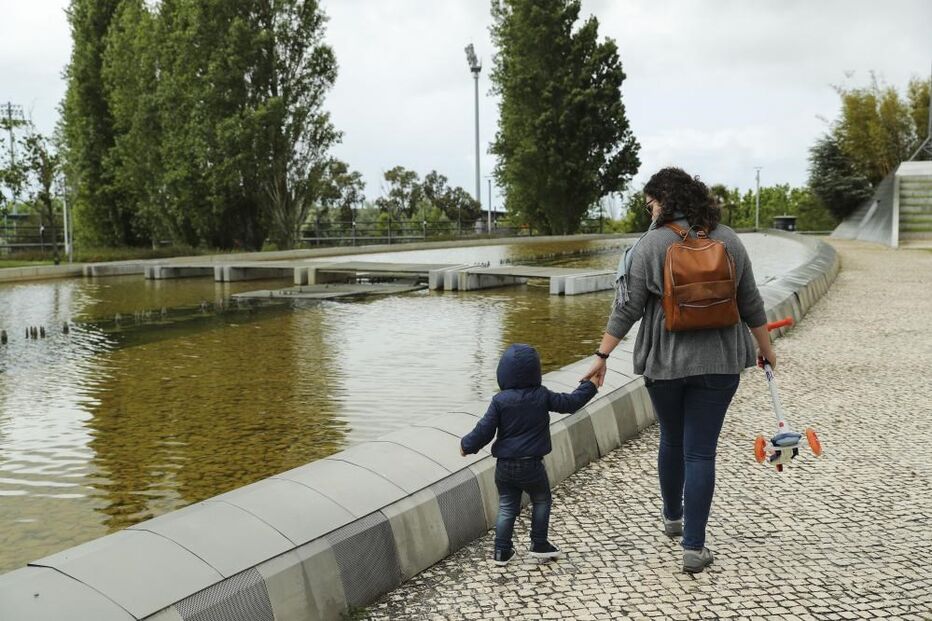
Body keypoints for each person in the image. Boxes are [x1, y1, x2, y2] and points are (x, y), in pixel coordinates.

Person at [581, 167, 776, 574]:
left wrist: (601, 356)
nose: (647, 208)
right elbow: (752, 302)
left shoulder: (651, 245)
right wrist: (766, 349)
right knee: (701, 450)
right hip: (720, 362)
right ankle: (694, 546)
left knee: (671, 437)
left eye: (650, 201)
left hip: (664, 363)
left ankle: (672, 518)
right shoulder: (728, 239)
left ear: (663, 201)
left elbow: (627, 308)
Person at [461, 343, 598, 566]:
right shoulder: (541, 395)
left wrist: (466, 445)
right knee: (542, 499)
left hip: (504, 466)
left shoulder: (499, 401)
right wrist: (589, 385)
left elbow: (484, 430)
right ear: (535, 371)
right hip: (532, 465)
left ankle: (502, 551)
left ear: (502, 373)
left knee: (507, 505)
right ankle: (539, 543)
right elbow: (570, 403)